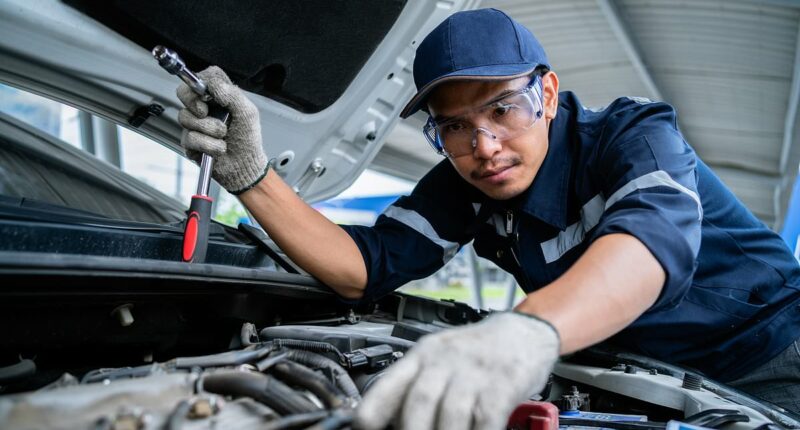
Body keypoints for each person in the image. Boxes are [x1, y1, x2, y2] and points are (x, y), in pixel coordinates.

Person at [176, 7, 800, 429]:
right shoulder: (468, 184)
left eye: (503, 109)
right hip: (645, 376)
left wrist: (527, 331)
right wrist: (253, 177)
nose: (485, 146)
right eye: (454, 126)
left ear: (547, 94)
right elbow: (364, 266)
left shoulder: (633, 135)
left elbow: (651, 242)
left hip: (770, 357)